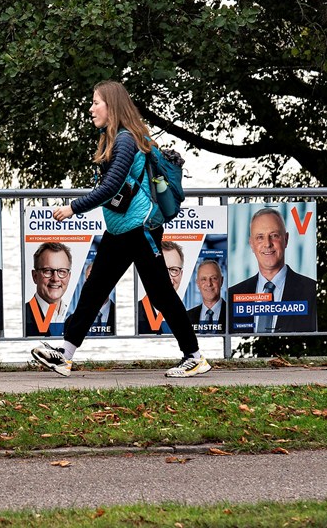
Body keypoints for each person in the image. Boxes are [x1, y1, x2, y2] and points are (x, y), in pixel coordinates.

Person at [30, 80, 210, 378]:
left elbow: (112, 185)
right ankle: (65, 355)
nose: (91, 109)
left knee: (160, 293)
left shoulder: (126, 140)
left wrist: (72, 208)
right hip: (120, 231)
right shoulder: (117, 140)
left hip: (139, 231)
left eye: (96, 102)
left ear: (111, 106)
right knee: (93, 290)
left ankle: (194, 357)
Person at [228, 207, 317, 332]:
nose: (267, 244)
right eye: (260, 237)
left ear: (286, 240)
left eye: (274, 235)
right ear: (251, 244)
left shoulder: (311, 290)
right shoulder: (232, 295)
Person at [25, 242, 73, 336]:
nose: (55, 278)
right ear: (35, 276)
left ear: (69, 277)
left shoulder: (77, 316)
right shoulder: (21, 316)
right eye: (47, 271)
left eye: (62, 271)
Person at [136, 240, 183, 335]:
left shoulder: (192, 315)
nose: (168, 277)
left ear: (181, 274)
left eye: (174, 270)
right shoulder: (134, 313)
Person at [186, 259, 226, 332]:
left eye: (214, 278)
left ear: (222, 281)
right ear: (197, 283)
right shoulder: (186, 317)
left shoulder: (233, 313)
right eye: (204, 279)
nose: (209, 284)